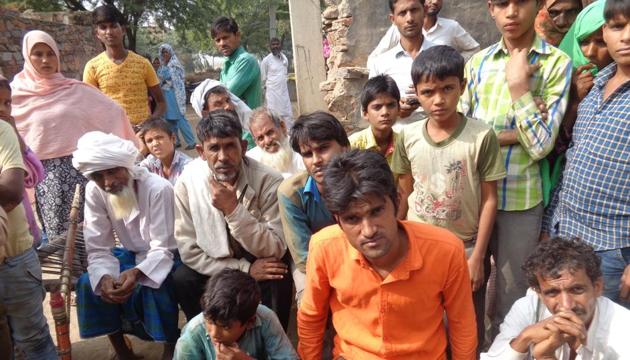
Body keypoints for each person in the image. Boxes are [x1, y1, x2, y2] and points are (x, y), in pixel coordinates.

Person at [298, 149, 477, 359]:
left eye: (376, 211)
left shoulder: (446, 250)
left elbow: (462, 324)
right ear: (338, 220)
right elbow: (311, 318)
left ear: (397, 201)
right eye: (352, 219)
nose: (369, 230)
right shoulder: (324, 248)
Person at [460, 0, 572, 333]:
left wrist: (518, 87)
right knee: (468, 289)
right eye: (501, 4)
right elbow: (463, 133)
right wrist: (518, 125)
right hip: (475, 196)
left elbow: (540, 146)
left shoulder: (555, 63)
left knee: (512, 300)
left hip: (520, 199)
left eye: (520, 2)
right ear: (490, 8)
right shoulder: (478, 63)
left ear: (536, 5)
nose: (511, 12)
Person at [392, 45, 506, 353]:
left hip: (463, 250)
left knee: (465, 331)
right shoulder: (408, 136)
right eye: (428, 92)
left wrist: (478, 258)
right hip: (417, 247)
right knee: (422, 327)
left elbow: (489, 200)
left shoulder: (481, 136)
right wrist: (396, 243)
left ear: (462, 86)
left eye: (447, 89)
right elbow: (403, 192)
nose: (439, 99)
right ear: (416, 92)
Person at [11, 30, 137, 242]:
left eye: (50, 54)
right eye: (38, 54)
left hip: (82, 169)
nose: (45, 60)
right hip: (47, 176)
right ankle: (70, 274)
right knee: (60, 236)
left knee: (94, 227)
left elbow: (112, 111)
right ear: (27, 57)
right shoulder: (15, 94)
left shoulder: (74, 89)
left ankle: (97, 271)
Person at [172, 110, 292, 329]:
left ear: (243, 148)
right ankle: (207, 338)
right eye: (214, 148)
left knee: (277, 269)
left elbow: (276, 246)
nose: (223, 157)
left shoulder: (268, 180)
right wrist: (243, 269)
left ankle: (272, 341)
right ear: (201, 151)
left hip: (257, 255)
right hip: (216, 263)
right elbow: (189, 250)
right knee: (182, 277)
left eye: (230, 146)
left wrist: (233, 209)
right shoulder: (187, 183)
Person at [72, 132, 180, 360]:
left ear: (126, 166)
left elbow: (164, 248)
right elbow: (98, 247)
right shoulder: (95, 191)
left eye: (112, 171)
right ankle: (122, 350)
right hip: (130, 253)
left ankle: (169, 346)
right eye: (98, 176)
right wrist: (105, 277)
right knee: (89, 285)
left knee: (155, 286)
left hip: (166, 254)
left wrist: (136, 273)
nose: (107, 183)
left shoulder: (158, 189)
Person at [556, 0, 630, 308]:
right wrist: (551, 225)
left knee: (608, 344)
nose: (625, 37)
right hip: (567, 236)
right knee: (568, 336)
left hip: (614, 249)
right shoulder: (596, 85)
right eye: (616, 27)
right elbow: (571, 162)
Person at [483, 238, 630, 359]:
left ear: (597, 287)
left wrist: (546, 357)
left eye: (576, 289)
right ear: (539, 294)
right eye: (553, 292)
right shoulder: (527, 310)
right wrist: (524, 339)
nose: (566, 305)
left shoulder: (622, 329)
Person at [540, 0, 612, 239]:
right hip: (568, 209)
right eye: (583, 42)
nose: (590, 52)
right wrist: (572, 102)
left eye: (600, 41)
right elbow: (559, 147)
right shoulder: (564, 72)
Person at [0, 76, 57, 360]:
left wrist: (17, 140)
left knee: (31, 335)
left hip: (15, 249)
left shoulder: (6, 134)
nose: (2, 109)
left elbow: (20, 186)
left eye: (7, 103)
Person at [277, 111, 349, 302]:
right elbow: (303, 257)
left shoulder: (363, 182)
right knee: (310, 300)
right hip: (314, 264)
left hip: (360, 258)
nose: (316, 160)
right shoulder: (291, 194)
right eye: (307, 154)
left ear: (344, 147)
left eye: (323, 148)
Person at [174, 268, 298, 359]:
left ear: (250, 322)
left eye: (225, 327)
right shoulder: (193, 333)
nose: (214, 333)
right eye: (210, 322)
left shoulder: (266, 318)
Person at [84, 4, 166, 126]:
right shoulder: (92, 67)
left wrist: (149, 125)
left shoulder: (143, 63)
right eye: (103, 27)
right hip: (112, 137)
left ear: (123, 30)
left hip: (142, 136)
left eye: (113, 26)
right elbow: (89, 106)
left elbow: (161, 103)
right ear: (97, 34)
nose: (109, 32)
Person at [368, 0, 436, 127]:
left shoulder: (440, 56)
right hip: (397, 141)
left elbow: (456, 100)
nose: (409, 18)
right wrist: (395, 109)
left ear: (425, 11)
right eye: (402, 13)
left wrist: (424, 100)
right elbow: (367, 109)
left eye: (414, 10)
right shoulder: (380, 63)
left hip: (438, 138)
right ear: (393, 19)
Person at [369, 0, 480, 63]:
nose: (435, 1)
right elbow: (374, 59)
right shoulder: (400, 29)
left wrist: (451, 62)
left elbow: (474, 49)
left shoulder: (451, 27)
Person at [349, 74, 400, 167]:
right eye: (377, 107)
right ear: (365, 113)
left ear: (399, 109)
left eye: (391, 105)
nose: (385, 112)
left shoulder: (404, 143)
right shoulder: (353, 145)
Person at [212, 17, 262, 109]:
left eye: (225, 37)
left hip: (249, 121)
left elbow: (223, 96)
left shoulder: (247, 61)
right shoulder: (227, 63)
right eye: (218, 40)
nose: (222, 43)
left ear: (237, 35)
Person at [190, 79, 256, 149]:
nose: (228, 106)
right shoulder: (206, 137)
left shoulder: (248, 131)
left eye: (228, 100)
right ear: (205, 112)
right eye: (218, 104)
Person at [157, 43, 196, 150]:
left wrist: (162, 78)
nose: (164, 54)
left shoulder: (174, 64)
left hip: (174, 94)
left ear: (170, 52)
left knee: (180, 118)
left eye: (166, 52)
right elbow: (159, 79)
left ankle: (191, 141)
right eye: (162, 52)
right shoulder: (163, 65)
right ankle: (175, 141)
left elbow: (167, 77)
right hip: (165, 95)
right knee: (170, 120)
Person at [246, 107, 304, 178]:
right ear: (255, 141)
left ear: (283, 127)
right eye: (260, 138)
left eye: (270, 133)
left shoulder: (302, 150)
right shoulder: (250, 161)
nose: (267, 141)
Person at [139, 118, 192, 185]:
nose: (155, 143)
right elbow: (133, 174)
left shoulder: (188, 166)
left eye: (159, 138)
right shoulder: (151, 162)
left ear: (173, 138)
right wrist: (141, 152)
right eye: (149, 141)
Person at [260, 38, 293, 124]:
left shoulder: (284, 58)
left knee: (287, 116)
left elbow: (284, 75)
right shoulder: (266, 61)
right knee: (273, 117)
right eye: (273, 44)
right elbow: (262, 79)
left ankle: (288, 136)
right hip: (272, 95)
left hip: (284, 93)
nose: (275, 46)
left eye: (277, 44)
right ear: (270, 47)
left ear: (280, 45)